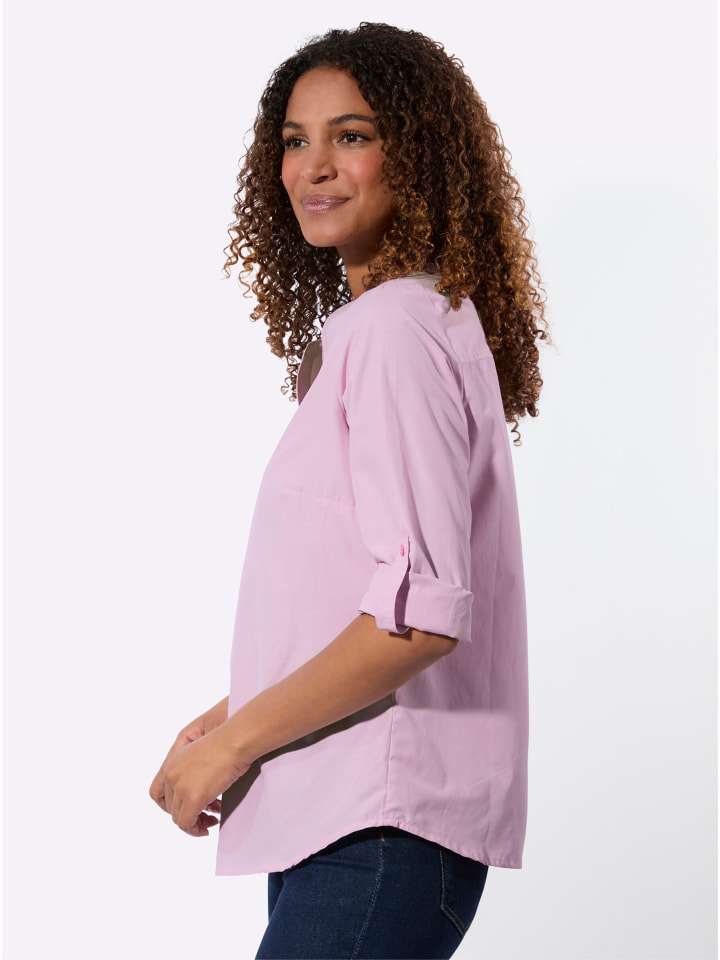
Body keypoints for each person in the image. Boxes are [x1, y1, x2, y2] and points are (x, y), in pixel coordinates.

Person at [150, 22, 547, 960]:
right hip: (352, 819)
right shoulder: (404, 323)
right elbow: (369, 598)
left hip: (378, 828)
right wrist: (230, 717)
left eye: (353, 135)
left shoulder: (394, 331)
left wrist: (234, 745)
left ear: (417, 156)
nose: (314, 166)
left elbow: (419, 619)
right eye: (296, 140)